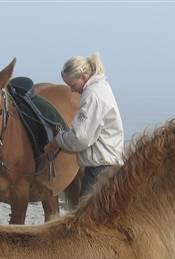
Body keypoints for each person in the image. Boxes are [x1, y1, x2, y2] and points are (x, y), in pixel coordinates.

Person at [43, 52, 125, 197]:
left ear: (84, 77)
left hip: (100, 169)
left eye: (73, 85)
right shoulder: (101, 87)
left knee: (87, 217)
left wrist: (57, 141)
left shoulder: (92, 95)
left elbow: (80, 137)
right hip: (106, 164)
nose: (72, 90)